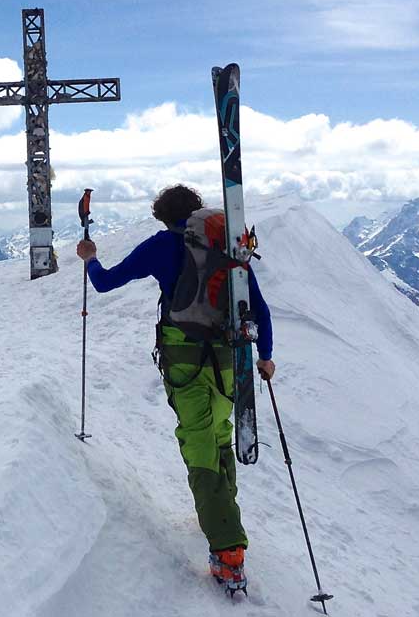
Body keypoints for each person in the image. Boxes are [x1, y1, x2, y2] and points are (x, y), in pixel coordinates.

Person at [76, 184, 274, 592]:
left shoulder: (164, 244)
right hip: (227, 359)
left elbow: (106, 283)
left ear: (164, 217)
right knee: (218, 436)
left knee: (199, 444)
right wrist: (265, 356)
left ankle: (228, 552)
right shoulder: (227, 248)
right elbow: (260, 306)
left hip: (184, 359)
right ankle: (223, 512)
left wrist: (90, 259)